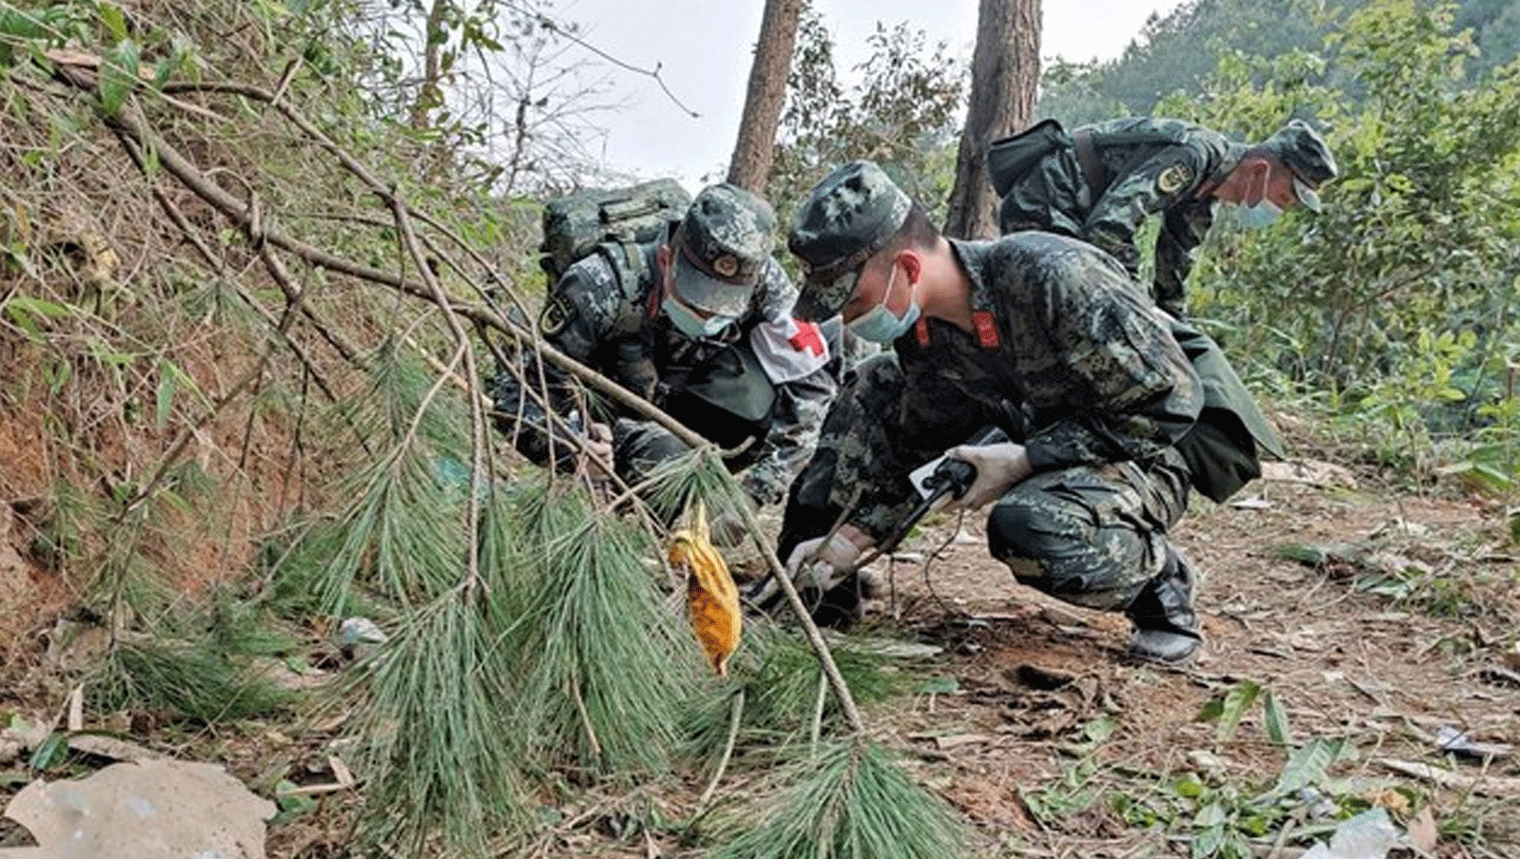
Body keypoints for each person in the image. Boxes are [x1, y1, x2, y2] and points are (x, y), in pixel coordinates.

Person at [776, 160, 1280, 664]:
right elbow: (921, 448)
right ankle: (816, 586)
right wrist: (850, 538)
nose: (845, 317)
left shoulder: (1053, 276)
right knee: (876, 381)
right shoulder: (922, 334)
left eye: (851, 299)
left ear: (908, 268)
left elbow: (1170, 403)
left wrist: (1026, 460)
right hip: (1038, 431)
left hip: (1149, 447)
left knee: (1031, 528)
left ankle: (1161, 585)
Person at [490, 182, 837, 536]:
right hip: (614, 423)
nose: (707, 316)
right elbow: (516, 399)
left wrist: (754, 494)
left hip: (696, 408)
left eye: (724, 308)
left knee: (827, 381)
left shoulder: (767, 283)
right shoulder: (598, 286)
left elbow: (811, 387)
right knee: (666, 461)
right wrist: (575, 447)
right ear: (666, 260)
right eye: (695, 300)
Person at [993, 117, 1339, 319]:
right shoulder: (1194, 156)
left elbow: (1172, 272)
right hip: (1047, 199)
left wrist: (1174, 329)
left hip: (1076, 216)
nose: (1278, 209)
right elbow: (1109, 227)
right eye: (1283, 197)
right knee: (1054, 314)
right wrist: (1136, 304)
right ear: (1261, 170)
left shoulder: (1204, 197)